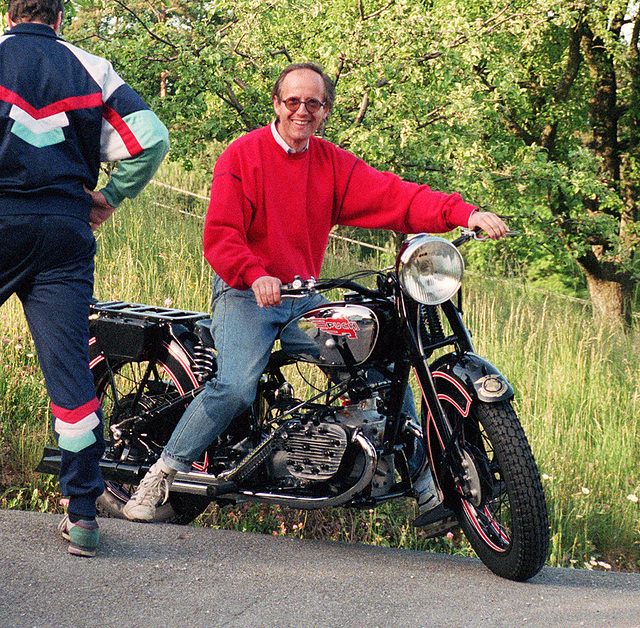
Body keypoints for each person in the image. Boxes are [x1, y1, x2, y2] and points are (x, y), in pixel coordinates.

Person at [123, 62, 508, 532]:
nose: (302, 111)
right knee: (237, 385)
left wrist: (463, 212)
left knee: (383, 366)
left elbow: (396, 196)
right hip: (246, 292)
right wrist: (254, 274)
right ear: (276, 104)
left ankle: (425, 485)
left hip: (303, 297)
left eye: (314, 103)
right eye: (293, 101)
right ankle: (161, 475)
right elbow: (222, 235)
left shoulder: (330, 163)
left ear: (325, 110)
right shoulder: (242, 157)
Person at [0, 0, 170, 556]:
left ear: (8, 13)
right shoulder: (92, 69)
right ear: (61, 16)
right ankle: (81, 517)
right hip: (66, 231)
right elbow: (150, 137)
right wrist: (110, 196)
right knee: (71, 371)